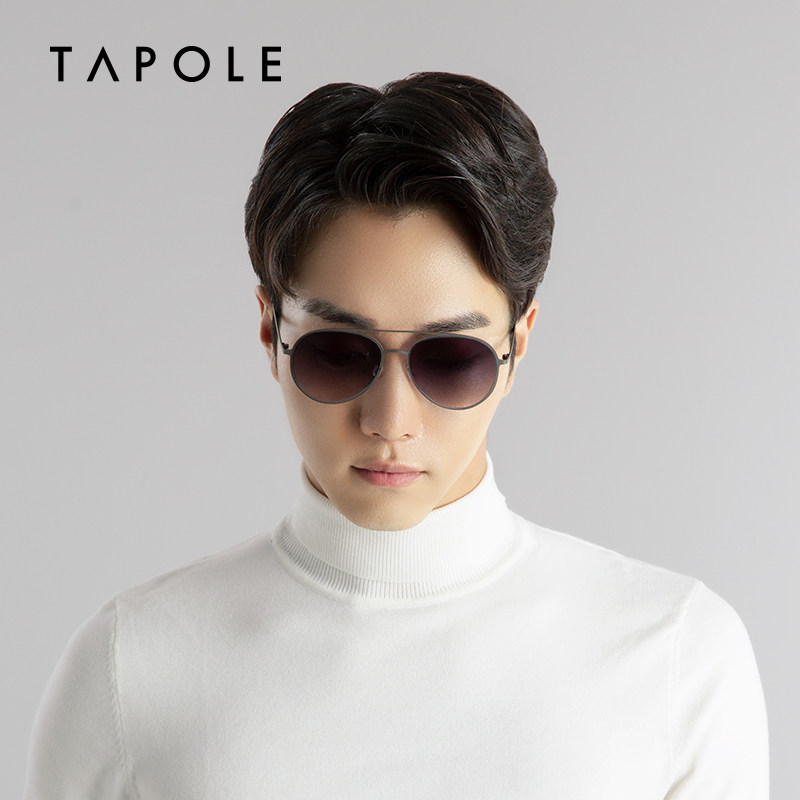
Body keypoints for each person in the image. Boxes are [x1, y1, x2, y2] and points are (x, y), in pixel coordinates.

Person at [25, 72, 768, 798]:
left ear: (517, 347)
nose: (389, 419)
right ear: (269, 331)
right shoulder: (132, 666)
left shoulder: (675, 656)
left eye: (450, 360)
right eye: (338, 354)